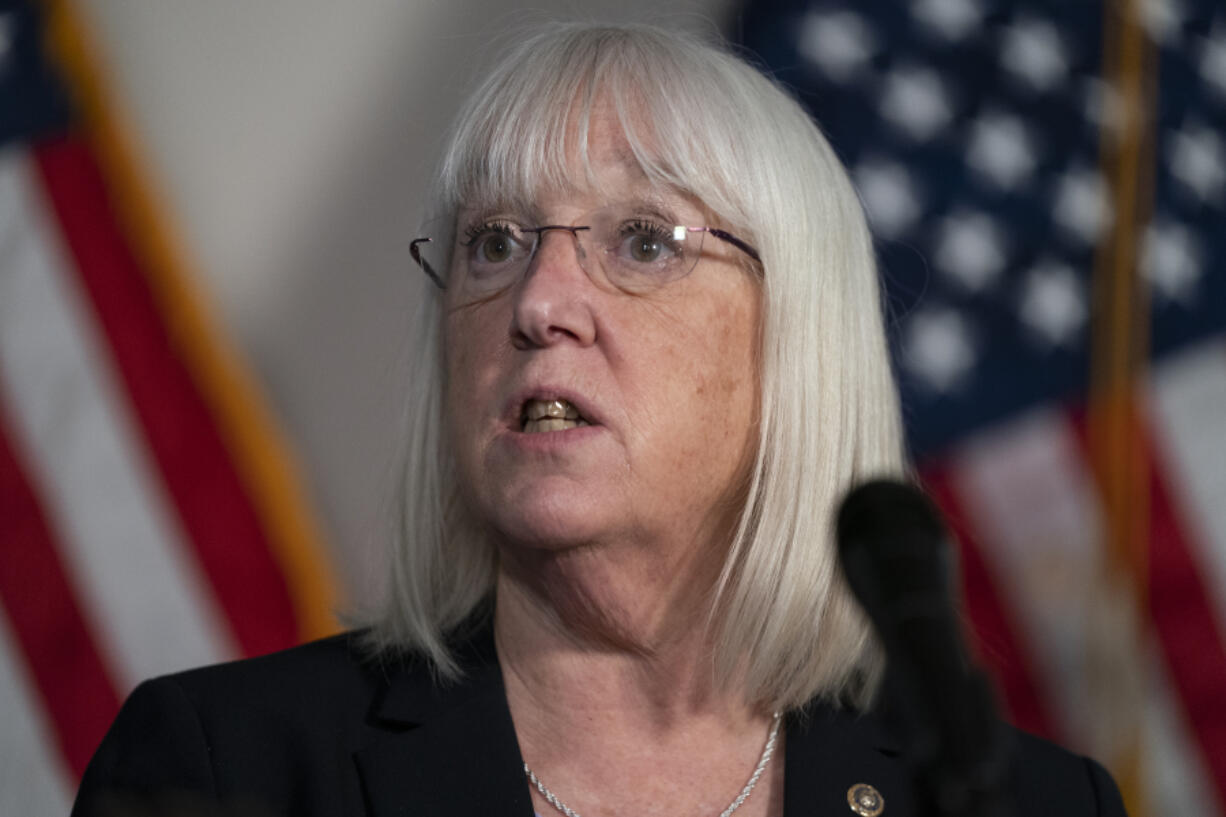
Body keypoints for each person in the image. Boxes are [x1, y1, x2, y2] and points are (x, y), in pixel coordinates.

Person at [73, 22, 1127, 817]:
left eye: (642, 241)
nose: (537, 305)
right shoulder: (230, 770)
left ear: (793, 341)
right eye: (492, 242)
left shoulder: (1028, 804)